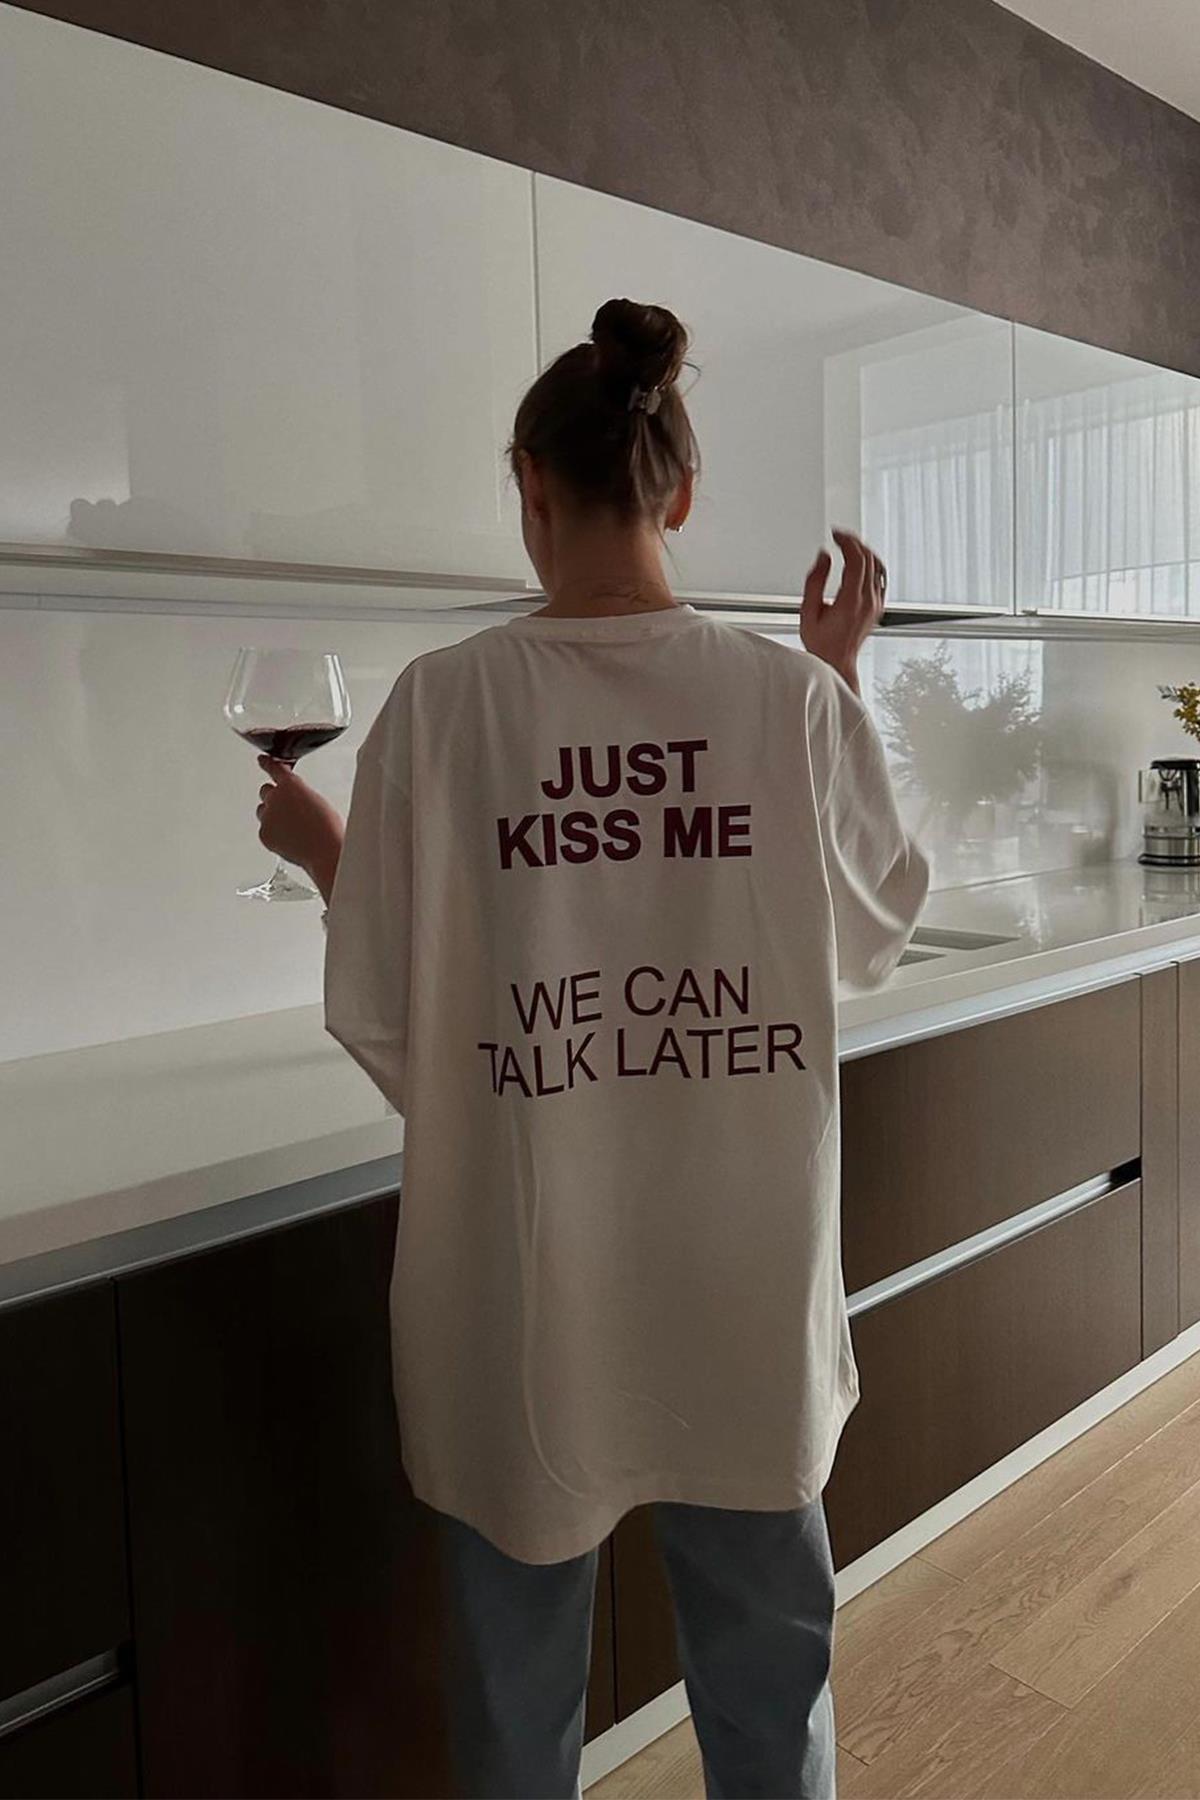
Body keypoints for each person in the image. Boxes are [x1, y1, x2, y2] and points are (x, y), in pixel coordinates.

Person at [253, 297, 929, 1800]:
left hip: (522, 1288)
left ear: (530, 486)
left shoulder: (443, 705)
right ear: (681, 497)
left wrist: (324, 853)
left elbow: (399, 1009)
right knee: (770, 1677)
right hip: (740, 1278)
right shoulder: (787, 698)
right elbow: (876, 926)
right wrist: (834, 681)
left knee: (514, 1694)